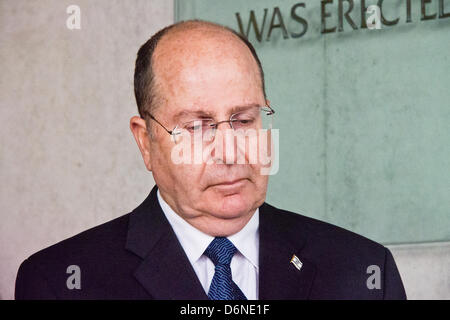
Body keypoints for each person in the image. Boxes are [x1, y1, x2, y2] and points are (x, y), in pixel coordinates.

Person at [15, 20, 406, 300]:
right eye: (198, 126)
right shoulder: (59, 282)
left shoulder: (365, 272)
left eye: (244, 119)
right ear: (146, 142)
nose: (230, 150)